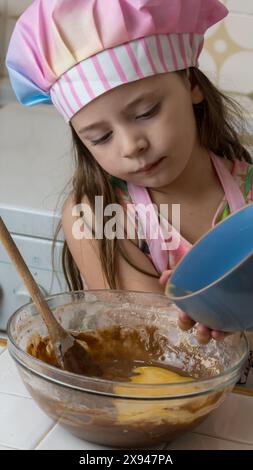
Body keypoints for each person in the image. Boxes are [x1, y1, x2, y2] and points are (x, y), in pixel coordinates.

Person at [6, 0, 253, 344]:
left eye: (146, 112)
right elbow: (149, 342)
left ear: (191, 83)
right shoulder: (99, 216)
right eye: (101, 137)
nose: (131, 145)